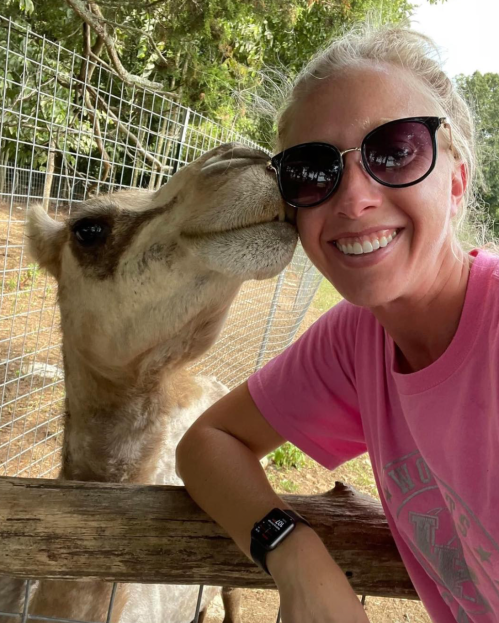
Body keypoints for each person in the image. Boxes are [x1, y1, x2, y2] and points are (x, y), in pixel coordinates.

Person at [176, 23, 499, 623]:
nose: (352, 197)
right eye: (310, 170)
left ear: (455, 183)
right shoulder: (357, 340)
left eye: (396, 152)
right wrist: (292, 550)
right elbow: (207, 445)